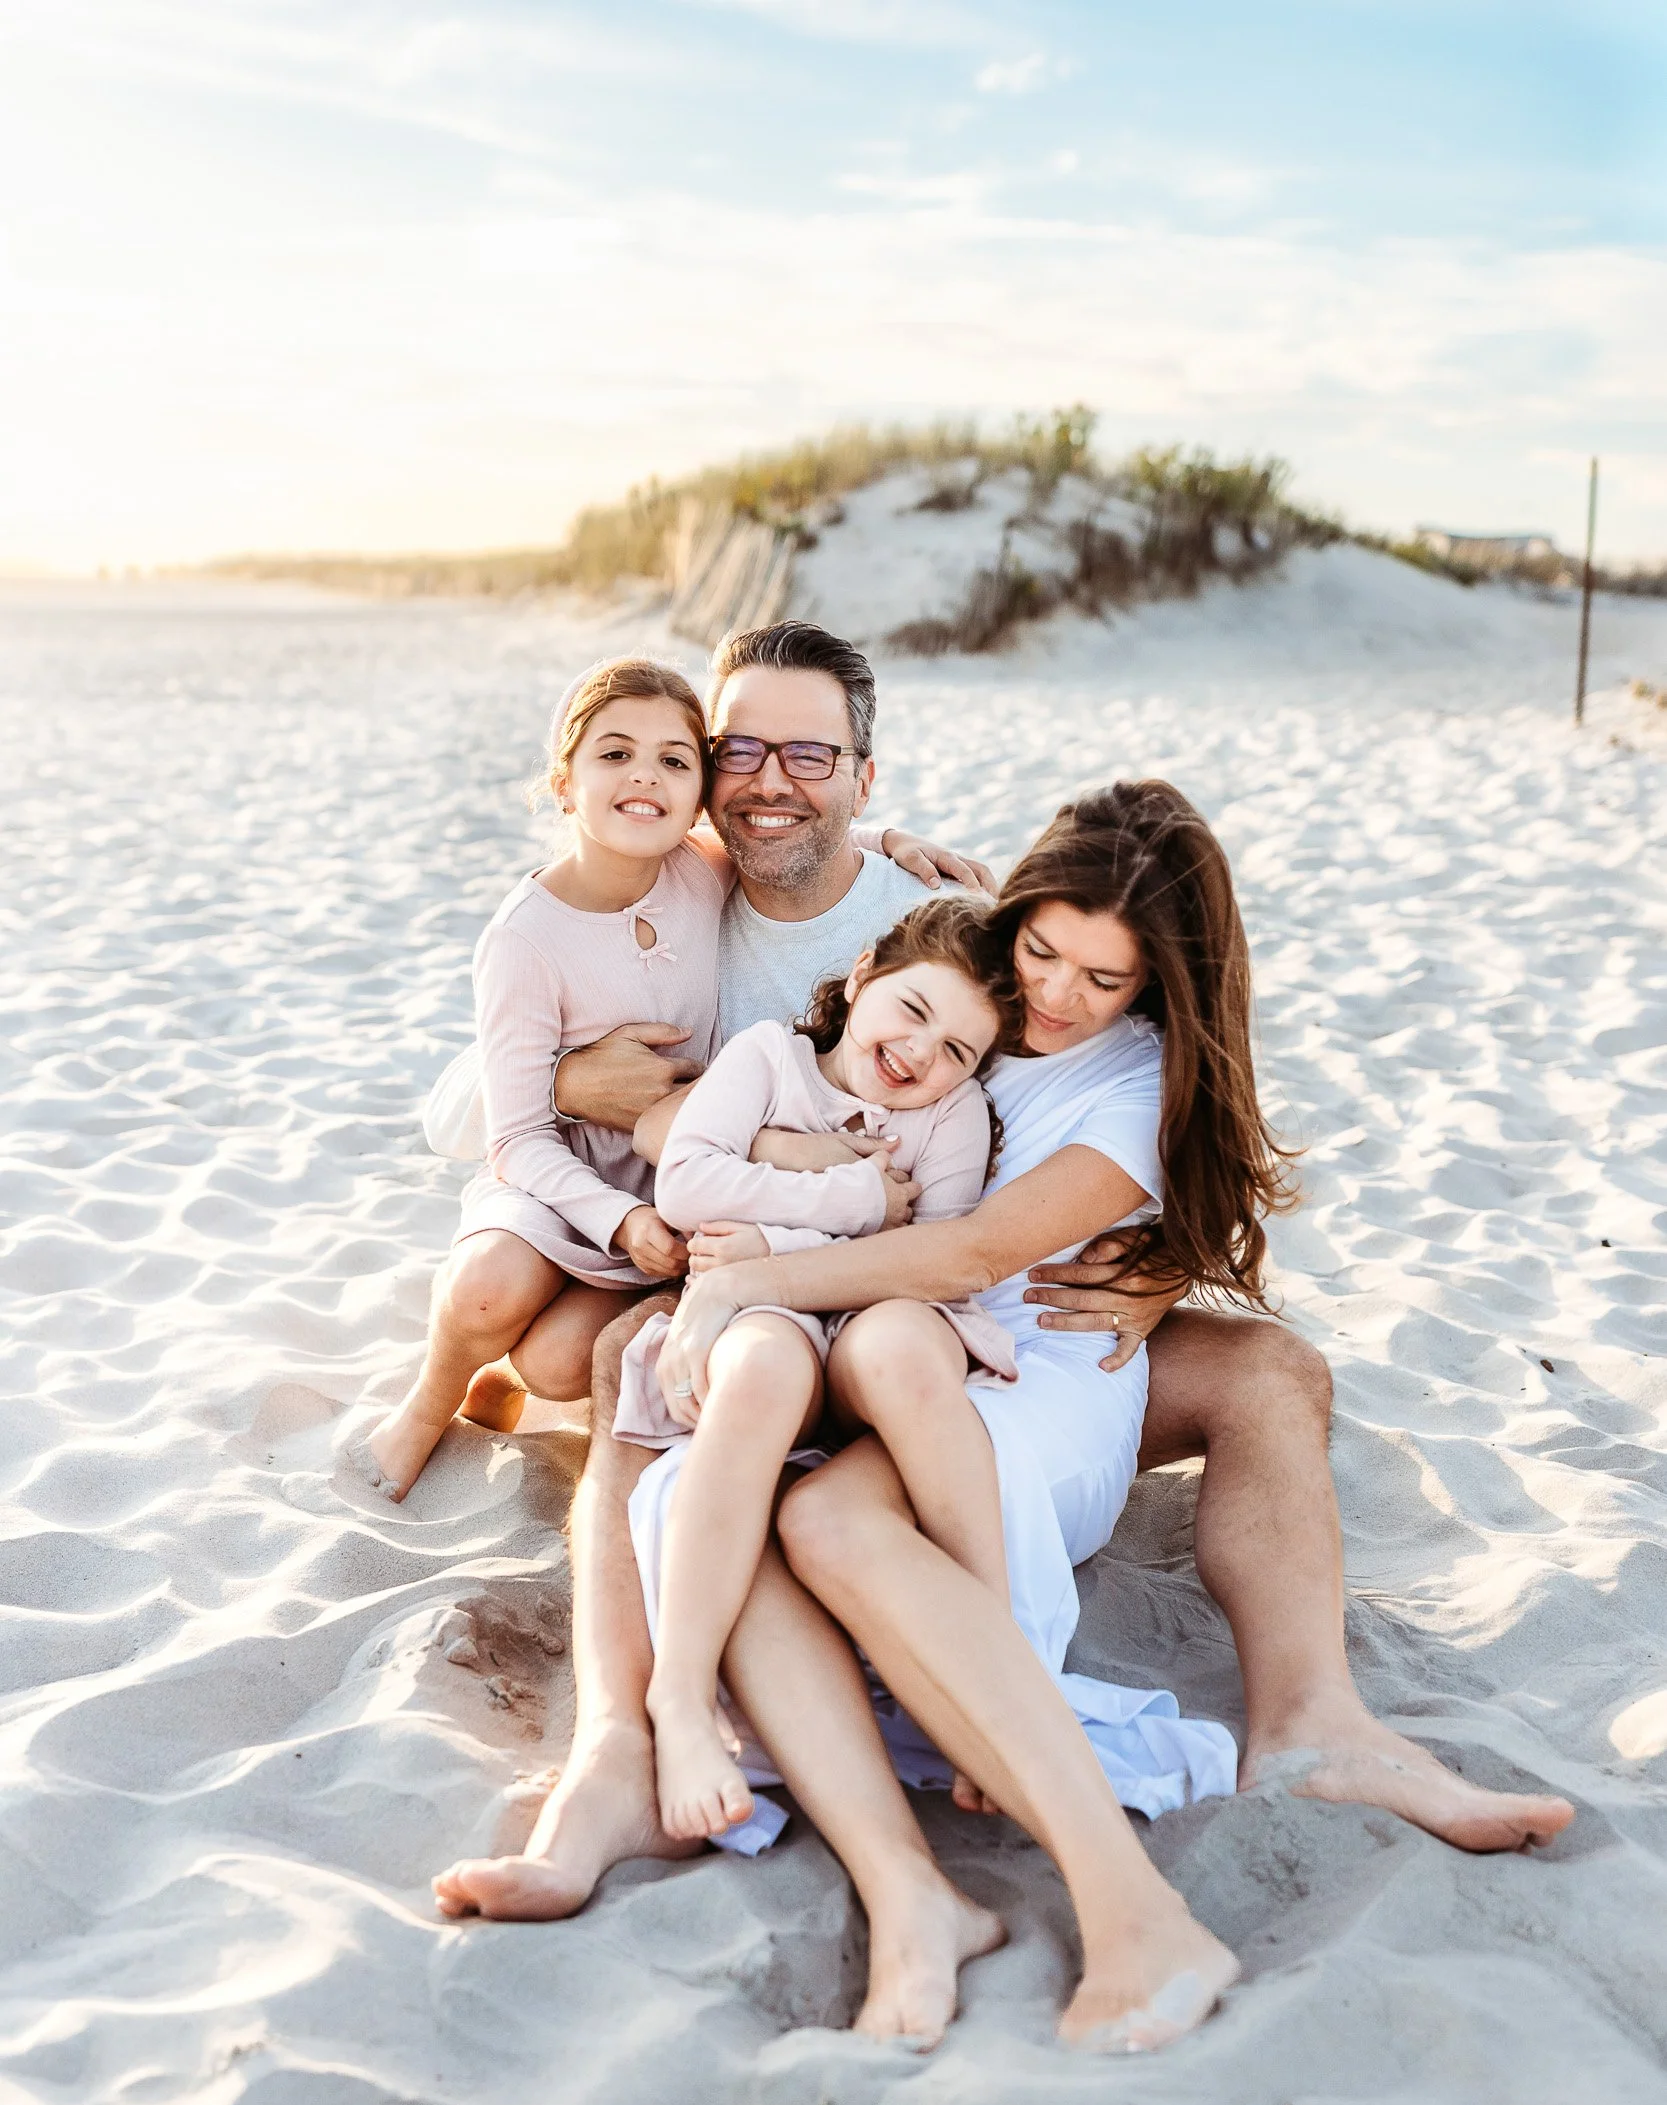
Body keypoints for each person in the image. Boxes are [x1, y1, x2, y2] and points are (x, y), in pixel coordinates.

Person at [433, 630, 1573, 2020]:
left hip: (938, 1316)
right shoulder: (669, 882)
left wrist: (1156, 1260)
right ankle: (628, 1748)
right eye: (740, 752)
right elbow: (486, 1102)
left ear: (863, 773)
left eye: (809, 755)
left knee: (1261, 1367)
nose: (767, 783)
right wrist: (587, 1091)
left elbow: (1001, 1203)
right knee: (639, 1377)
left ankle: (1304, 1723)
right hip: (784, 1283)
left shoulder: (941, 927)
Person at [362, 647, 977, 1500]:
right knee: (485, 1296)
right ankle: (430, 1400)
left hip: (678, 1185)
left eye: (674, 761)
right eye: (613, 754)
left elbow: (804, 834)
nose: (644, 778)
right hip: (575, 1180)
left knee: (554, 1360)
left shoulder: (720, 874)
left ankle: (508, 1375)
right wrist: (575, 1099)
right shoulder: (549, 924)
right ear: (563, 780)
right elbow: (492, 1129)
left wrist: (885, 841)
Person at [617, 895, 1023, 1842]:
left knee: (908, 1346)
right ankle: (679, 1698)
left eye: (958, 1050)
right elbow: (683, 1183)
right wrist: (844, 1190)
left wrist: (766, 1223)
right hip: (768, 1314)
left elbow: (927, 1244)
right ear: (864, 974)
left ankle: (989, 1678)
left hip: (883, 1317)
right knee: (755, 1371)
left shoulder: (954, 1117)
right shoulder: (767, 1058)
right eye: (914, 1011)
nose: (922, 1055)